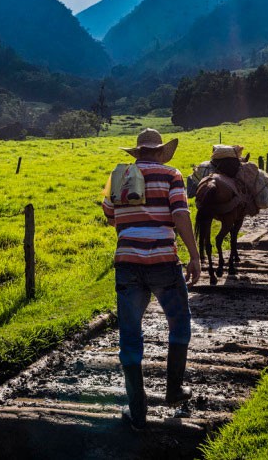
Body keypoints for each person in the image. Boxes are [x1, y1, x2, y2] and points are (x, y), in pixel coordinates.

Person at [102, 128, 202, 430]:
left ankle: (138, 412)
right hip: (163, 262)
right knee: (179, 322)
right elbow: (181, 215)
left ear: (137, 152)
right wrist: (194, 255)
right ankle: (173, 392)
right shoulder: (172, 174)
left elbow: (109, 216)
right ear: (160, 152)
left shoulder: (118, 176)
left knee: (130, 335)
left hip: (127, 264)